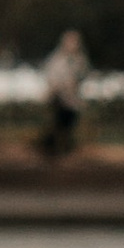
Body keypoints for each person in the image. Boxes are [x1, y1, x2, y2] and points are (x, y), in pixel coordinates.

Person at [40, 25, 90, 157]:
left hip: (71, 98)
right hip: (59, 97)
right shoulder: (57, 58)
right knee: (59, 122)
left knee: (69, 123)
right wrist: (56, 88)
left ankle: (64, 146)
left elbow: (82, 75)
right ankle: (56, 147)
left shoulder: (80, 59)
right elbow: (51, 76)